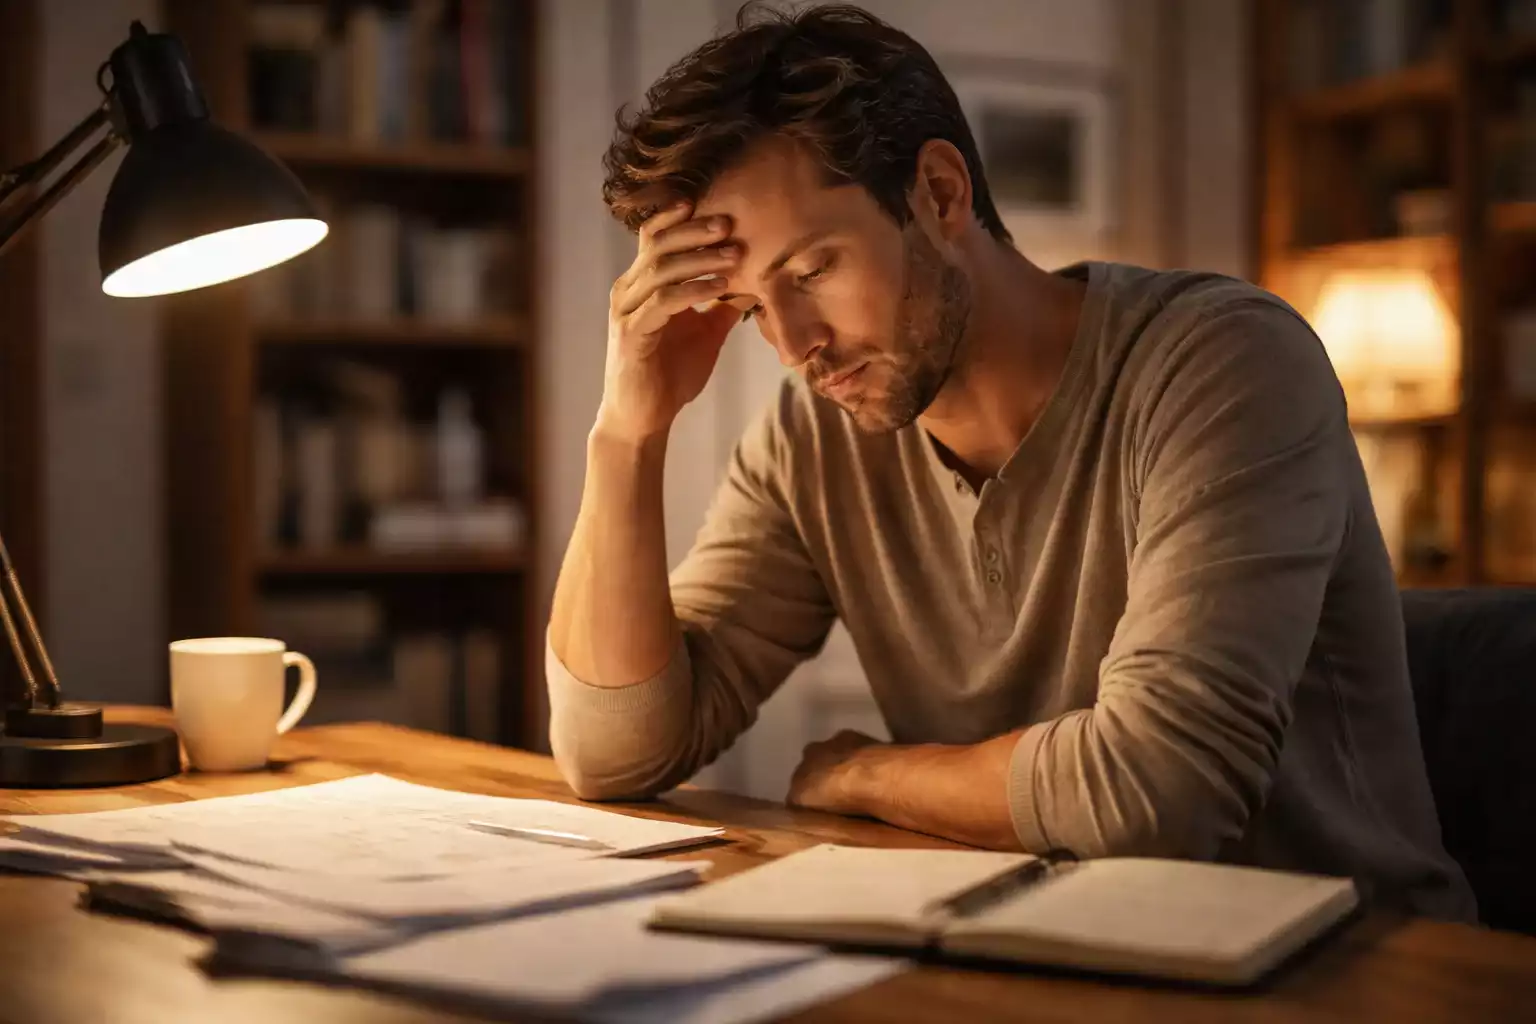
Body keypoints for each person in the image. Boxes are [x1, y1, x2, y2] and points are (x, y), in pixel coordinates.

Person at [546, 3, 1475, 919]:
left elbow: (1159, 793)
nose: (792, 347)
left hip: (1359, 972)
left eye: (813, 271)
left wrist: (870, 773)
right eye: (752, 306)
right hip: (1055, 957)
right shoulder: (813, 439)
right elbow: (614, 754)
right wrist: (629, 430)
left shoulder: (1225, 364)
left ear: (941, 194)